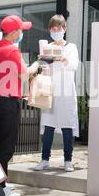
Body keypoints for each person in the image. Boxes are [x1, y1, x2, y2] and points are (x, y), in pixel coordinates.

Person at [0, 15, 39, 196]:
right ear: (13, 32)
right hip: (8, 103)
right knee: (5, 149)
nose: (22, 33)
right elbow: (24, 76)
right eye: (21, 30)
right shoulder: (12, 50)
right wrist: (37, 64)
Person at [34, 14, 79, 172]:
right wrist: (43, 60)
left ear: (64, 29)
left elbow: (74, 65)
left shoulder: (71, 47)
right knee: (48, 126)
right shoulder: (47, 46)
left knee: (67, 126)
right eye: (53, 29)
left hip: (66, 93)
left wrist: (62, 59)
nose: (56, 31)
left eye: (58, 29)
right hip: (51, 91)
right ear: (49, 30)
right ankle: (45, 159)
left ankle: (68, 161)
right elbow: (43, 69)